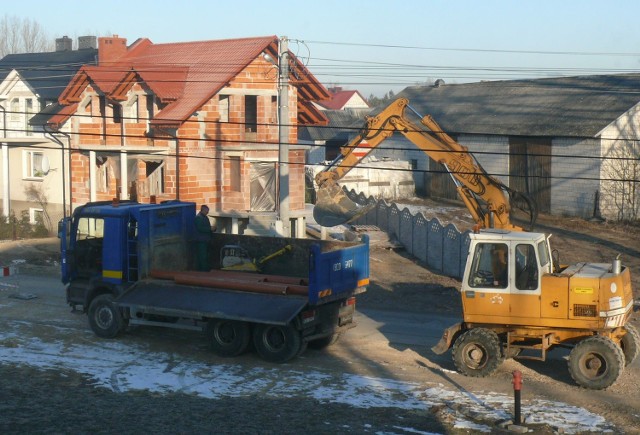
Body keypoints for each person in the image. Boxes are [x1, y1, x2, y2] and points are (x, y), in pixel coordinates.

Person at [194, 204, 214, 271]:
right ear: (203, 210)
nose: (207, 212)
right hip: (201, 240)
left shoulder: (205, 217)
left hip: (206, 239)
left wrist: (212, 229)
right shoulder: (198, 218)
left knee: (206, 255)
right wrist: (210, 229)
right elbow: (200, 228)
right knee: (202, 256)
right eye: (206, 211)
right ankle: (203, 270)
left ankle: (205, 269)